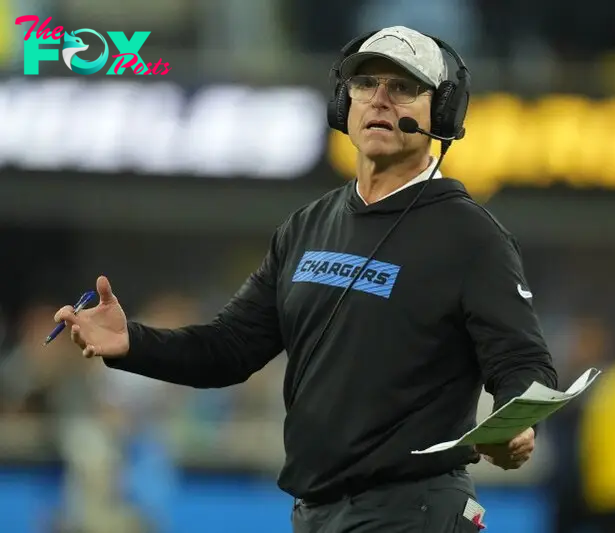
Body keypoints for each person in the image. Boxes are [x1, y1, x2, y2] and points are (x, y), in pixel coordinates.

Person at [54, 26, 558, 533]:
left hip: (415, 511)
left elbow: (524, 363)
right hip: (315, 514)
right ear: (344, 101)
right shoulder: (307, 226)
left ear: (443, 111)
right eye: (365, 84)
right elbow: (230, 349)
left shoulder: (471, 237)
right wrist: (130, 342)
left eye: (403, 87)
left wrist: (515, 426)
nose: (380, 99)